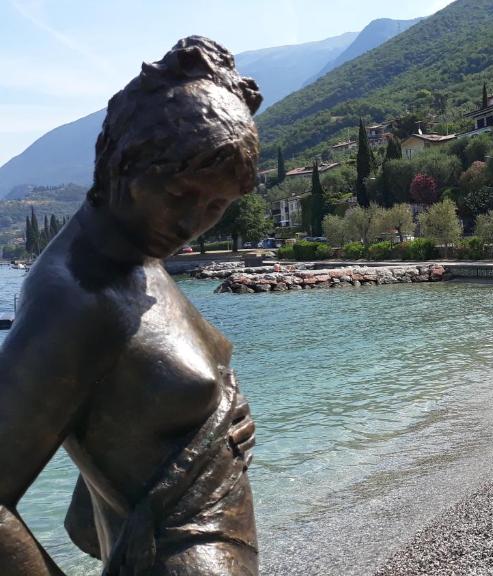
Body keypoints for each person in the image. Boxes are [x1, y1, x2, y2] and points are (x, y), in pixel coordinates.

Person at [0, 37, 261, 575]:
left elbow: (114, 427)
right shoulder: (76, 296)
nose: (191, 224)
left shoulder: (138, 257)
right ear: (125, 162)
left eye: (216, 206)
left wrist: (206, 438)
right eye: (180, 194)